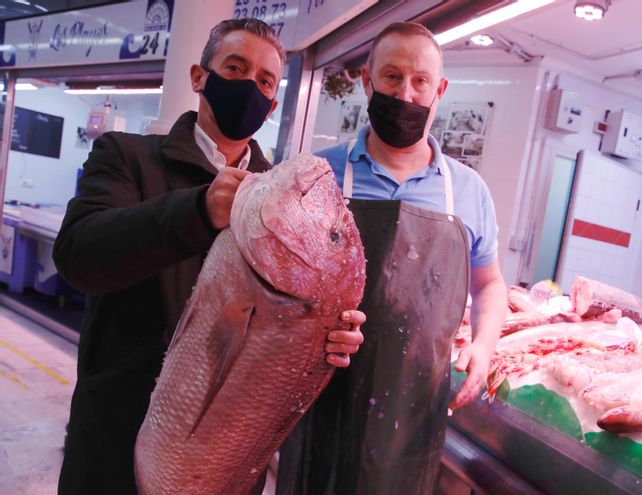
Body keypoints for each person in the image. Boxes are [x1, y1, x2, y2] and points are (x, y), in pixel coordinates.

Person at [52, 18, 365, 495]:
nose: (249, 87)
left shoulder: (282, 197)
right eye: (234, 68)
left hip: (224, 464)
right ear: (200, 77)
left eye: (264, 81)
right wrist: (197, 209)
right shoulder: (126, 155)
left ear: (274, 104)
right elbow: (78, 256)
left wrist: (325, 337)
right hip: (112, 449)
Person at [277, 21, 507, 495]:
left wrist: (483, 347)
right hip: (321, 398)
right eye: (391, 77)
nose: (405, 91)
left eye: (420, 81)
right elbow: (275, 287)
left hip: (414, 413)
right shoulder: (315, 175)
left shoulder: (469, 191)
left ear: (438, 90)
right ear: (367, 81)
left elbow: (490, 285)